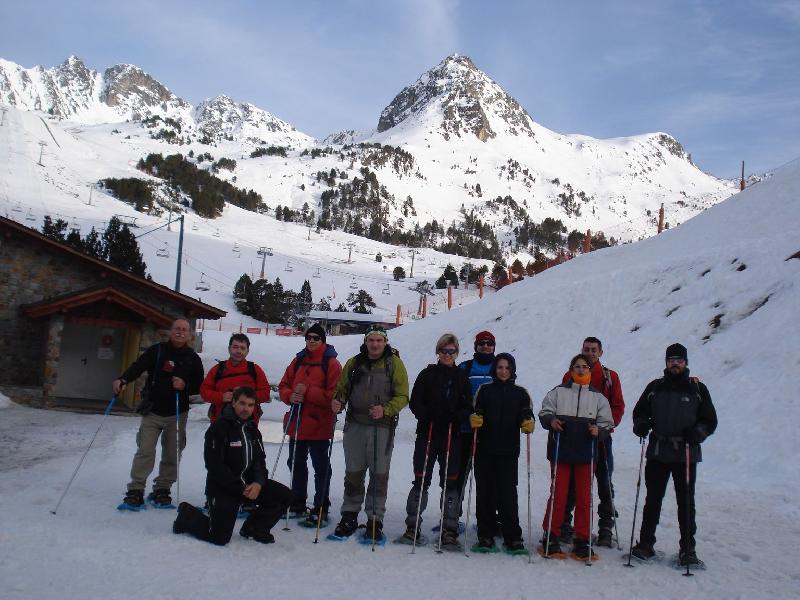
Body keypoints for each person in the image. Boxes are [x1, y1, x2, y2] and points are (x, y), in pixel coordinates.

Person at [630, 343, 717, 567]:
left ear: (685, 362)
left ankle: (688, 549)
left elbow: (709, 420)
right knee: (652, 500)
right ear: (666, 363)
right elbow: (639, 412)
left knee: (686, 502)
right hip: (658, 450)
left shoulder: (698, 389)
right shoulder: (655, 387)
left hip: (686, 453)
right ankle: (645, 544)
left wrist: (697, 433)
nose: (675, 363)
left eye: (679, 360)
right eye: (671, 360)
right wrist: (641, 425)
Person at [172, 387, 294, 545]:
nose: (246, 408)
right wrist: (240, 487)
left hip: (249, 486)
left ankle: (254, 528)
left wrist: (258, 483)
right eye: (242, 403)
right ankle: (187, 515)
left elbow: (259, 462)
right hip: (224, 488)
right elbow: (214, 466)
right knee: (219, 538)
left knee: (285, 496)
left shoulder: (253, 430)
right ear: (233, 403)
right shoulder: (219, 428)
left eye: (250, 405)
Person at [113, 318, 204, 510]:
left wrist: (185, 385)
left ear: (189, 334)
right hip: (153, 410)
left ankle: (162, 489)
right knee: (145, 450)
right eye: (177, 329)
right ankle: (135, 491)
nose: (180, 332)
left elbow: (200, 386)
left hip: (178, 413)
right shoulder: (158, 350)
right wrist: (123, 379)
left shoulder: (192, 358)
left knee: (172, 453)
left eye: (184, 330)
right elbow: (138, 366)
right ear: (171, 331)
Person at [330, 326, 409, 542]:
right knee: (353, 472)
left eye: (379, 341)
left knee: (378, 474)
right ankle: (349, 514)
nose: (375, 344)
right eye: (371, 340)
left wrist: (386, 409)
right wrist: (338, 401)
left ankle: (375, 518)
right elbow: (343, 388)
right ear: (366, 341)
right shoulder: (354, 363)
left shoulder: (394, 364)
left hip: (382, 427)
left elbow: (403, 396)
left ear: (385, 342)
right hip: (355, 424)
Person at [397, 333, 472, 550]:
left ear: (456, 353)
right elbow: (415, 401)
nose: (447, 354)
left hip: (451, 434)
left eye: (451, 351)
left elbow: (468, 405)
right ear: (438, 352)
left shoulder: (461, 376)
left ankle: (449, 529)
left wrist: (457, 416)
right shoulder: (427, 374)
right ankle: (412, 527)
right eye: (443, 350)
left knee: (450, 482)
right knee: (421, 479)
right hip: (428, 433)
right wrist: (427, 414)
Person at [539, 354, 613, 560]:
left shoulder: (598, 397)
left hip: (586, 452)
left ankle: (582, 538)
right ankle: (550, 535)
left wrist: (599, 430)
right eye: (577, 366)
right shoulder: (558, 392)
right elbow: (545, 411)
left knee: (584, 497)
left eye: (585, 367)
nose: (581, 370)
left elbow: (607, 422)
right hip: (560, 450)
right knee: (558, 495)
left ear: (590, 371)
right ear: (571, 370)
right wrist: (551, 420)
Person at [560, 336, 624, 547]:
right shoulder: (569, 376)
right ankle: (566, 525)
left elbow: (617, 406)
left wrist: (604, 428)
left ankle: (605, 528)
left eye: (594, 350)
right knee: (573, 484)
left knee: (604, 483)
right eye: (587, 349)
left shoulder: (610, 377)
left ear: (600, 352)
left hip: (601, 440)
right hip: (577, 440)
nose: (590, 352)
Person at [278, 323, 342, 526]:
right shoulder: (298, 361)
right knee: (295, 463)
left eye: (316, 337)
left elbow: (335, 396)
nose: (312, 340)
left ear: (323, 340)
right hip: (297, 422)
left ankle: (321, 506)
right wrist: (290, 396)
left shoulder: (331, 364)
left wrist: (307, 392)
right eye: (309, 337)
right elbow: (284, 386)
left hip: (319, 425)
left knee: (321, 467)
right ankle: (297, 501)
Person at [469, 353, 533, 555]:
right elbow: (476, 409)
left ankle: (512, 536)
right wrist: (475, 418)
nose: (503, 371)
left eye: (507, 368)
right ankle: (485, 535)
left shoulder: (520, 392)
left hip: (508, 451)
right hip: (484, 450)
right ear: (494, 370)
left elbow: (526, 411)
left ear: (512, 370)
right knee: (485, 493)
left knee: (507, 494)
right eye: (499, 368)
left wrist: (527, 422)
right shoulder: (485, 390)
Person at [200, 333, 271, 424]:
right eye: (235, 347)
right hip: (220, 423)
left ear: (247, 351)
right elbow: (204, 391)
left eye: (242, 348)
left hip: (248, 424)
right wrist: (221, 397)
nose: (238, 351)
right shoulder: (218, 369)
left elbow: (265, 393)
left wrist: (245, 396)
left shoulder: (254, 370)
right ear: (229, 349)